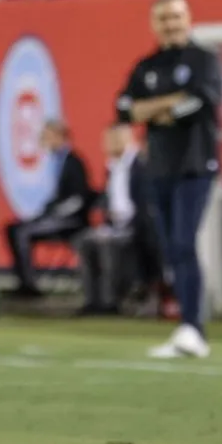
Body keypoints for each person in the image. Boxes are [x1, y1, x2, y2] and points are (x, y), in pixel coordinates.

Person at [117, 0, 222, 359]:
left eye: (176, 17)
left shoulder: (203, 59)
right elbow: (124, 109)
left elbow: (200, 103)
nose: (171, 24)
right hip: (158, 168)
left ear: (188, 18)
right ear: (154, 24)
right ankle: (186, 328)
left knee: (182, 243)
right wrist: (167, 104)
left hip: (195, 166)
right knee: (170, 248)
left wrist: (153, 109)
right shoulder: (145, 65)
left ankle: (194, 328)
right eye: (163, 18)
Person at [75, 123, 157, 316]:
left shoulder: (140, 165)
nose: (107, 144)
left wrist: (127, 224)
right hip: (114, 225)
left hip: (136, 227)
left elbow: (144, 205)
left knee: (107, 245)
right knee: (85, 242)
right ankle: (91, 299)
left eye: (112, 139)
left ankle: (110, 301)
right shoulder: (112, 166)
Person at [4, 120, 91, 297]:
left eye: (47, 136)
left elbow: (78, 199)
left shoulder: (73, 162)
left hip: (71, 221)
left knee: (23, 232)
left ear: (59, 136)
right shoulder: (55, 162)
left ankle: (29, 286)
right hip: (54, 217)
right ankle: (23, 281)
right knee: (12, 229)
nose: (43, 140)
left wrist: (54, 213)